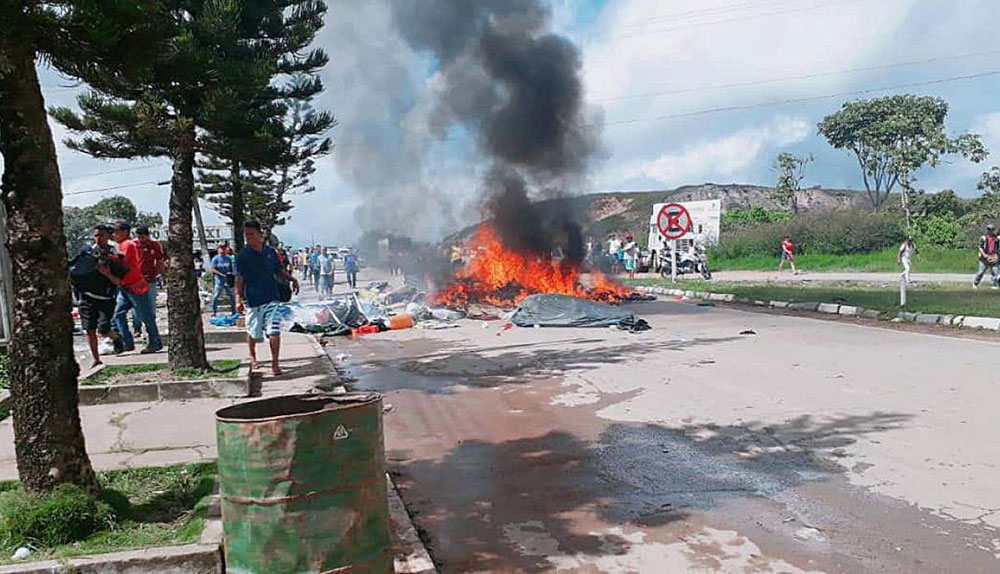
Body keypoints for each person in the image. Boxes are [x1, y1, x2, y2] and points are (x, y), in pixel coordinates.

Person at [235, 221, 300, 375]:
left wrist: (292, 279)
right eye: (247, 235)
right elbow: (239, 279)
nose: (249, 238)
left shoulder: (270, 252)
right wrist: (238, 299)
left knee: (274, 331)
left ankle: (275, 364)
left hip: (272, 298)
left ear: (260, 234)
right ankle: (253, 357)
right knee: (253, 332)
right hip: (253, 300)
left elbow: (278, 270)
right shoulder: (242, 256)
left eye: (251, 234)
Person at [71, 225, 127, 368]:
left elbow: (119, 281)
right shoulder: (87, 253)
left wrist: (106, 273)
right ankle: (96, 359)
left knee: (103, 329)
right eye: (96, 235)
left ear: (108, 236)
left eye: (101, 235)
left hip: (106, 298)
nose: (98, 238)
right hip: (86, 297)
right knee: (89, 329)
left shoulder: (115, 255)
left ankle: (116, 338)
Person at [111, 221, 163, 353]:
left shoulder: (128, 245)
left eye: (117, 231)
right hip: (125, 285)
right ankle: (127, 342)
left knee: (145, 315)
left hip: (135, 285)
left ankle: (155, 341)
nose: (114, 234)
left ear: (125, 232)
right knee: (118, 314)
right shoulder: (121, 245)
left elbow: (121, 264)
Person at [130, 225, 165, 336]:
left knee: (151, 306)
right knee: (136, 306)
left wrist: (162, 274)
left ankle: (151, 329)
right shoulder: (134, 245)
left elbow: (159, 260)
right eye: (139, 237)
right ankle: (137, 327)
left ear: (148, 236)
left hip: (151, 279)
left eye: (143, 237)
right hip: (136, 280)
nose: (141, 239)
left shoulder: (154, 245)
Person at [210, 245, 236, 315]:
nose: (223, 250)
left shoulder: (228, 258)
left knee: (232, 296)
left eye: (224, 248)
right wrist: (221, 274)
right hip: (219, 281)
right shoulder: (215, 259)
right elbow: (212, 269)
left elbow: (232, 268)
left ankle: (234, 311)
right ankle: (213, 311)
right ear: (218, 250)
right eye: (221, 248)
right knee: (216, 295)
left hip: (228, 281)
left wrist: (231, 275)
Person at [974, 224, 1000, 289]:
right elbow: (980, 247)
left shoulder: (997, 238)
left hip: (993, 256)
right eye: (989, 229)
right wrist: (984, 255)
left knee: (995, 272)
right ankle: (976, 283)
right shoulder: (983, 238)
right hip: (984, 258)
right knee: (981, 272)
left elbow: (998, 248)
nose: (990, 231)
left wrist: (996, 256)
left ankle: (993, 284)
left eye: (991, 229)